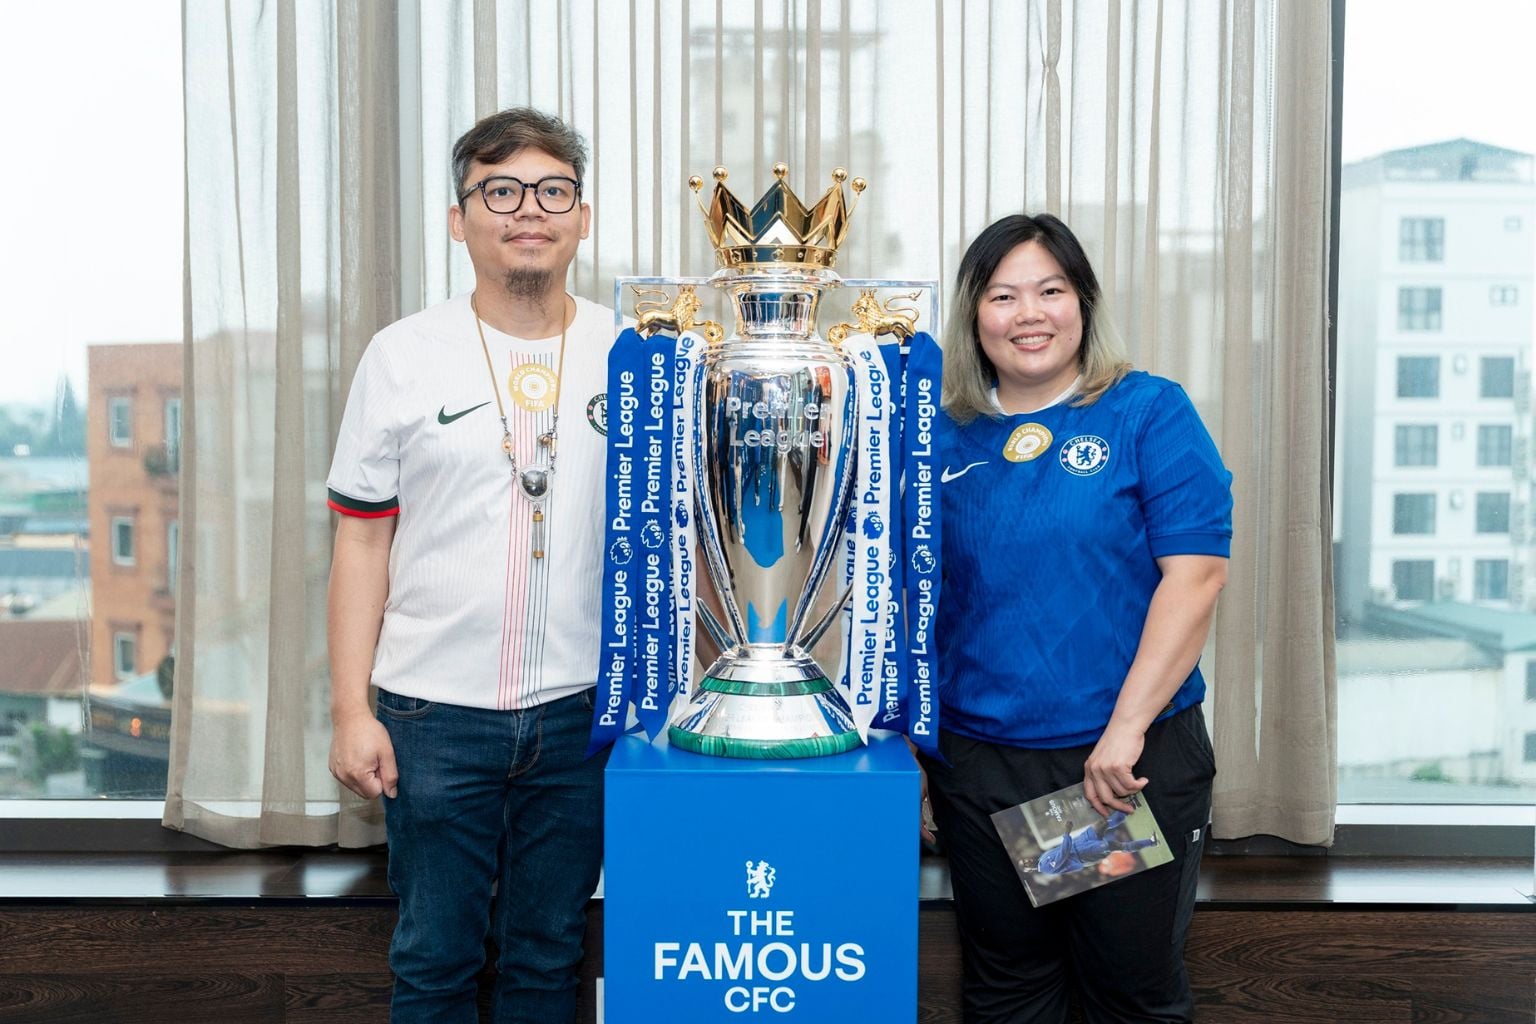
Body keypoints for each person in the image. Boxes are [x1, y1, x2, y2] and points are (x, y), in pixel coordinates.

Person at [326, 107, 613, 1024]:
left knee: (547, 959)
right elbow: (361, 539)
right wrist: (348, 711)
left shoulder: (635, 355)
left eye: (552, 191)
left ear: (582, 215)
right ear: (460, 219)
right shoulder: (402, 356)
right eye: (501, 191)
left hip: (580, 713)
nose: (529, 210)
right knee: (435, 962)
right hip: (430, 715)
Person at [923, 213, 1232, 1024]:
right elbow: (921, 599)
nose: (1030, 314)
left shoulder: (1144, 412)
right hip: (984, 768)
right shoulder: (943, 434)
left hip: (1108, 774)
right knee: (1010, 992)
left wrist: (1123, 735)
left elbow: (1195, 578)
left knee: (1120, 996)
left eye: (1050, 291)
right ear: (973, 317)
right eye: (1003, 296)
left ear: (1083, 304)